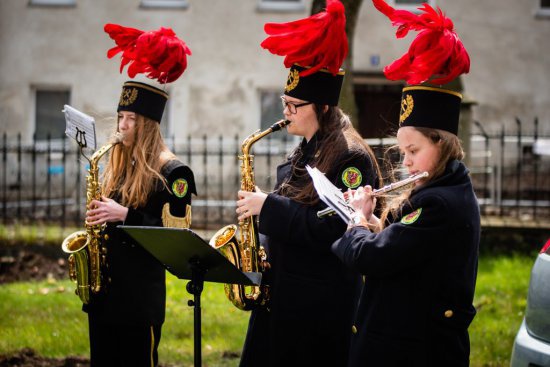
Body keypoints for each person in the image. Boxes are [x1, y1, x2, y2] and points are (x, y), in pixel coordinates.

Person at [331, 1, 479, 366]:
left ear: (441, 143)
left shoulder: (440, 204)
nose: (406, 161)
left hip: (416, 349)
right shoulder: (441, 191)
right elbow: (405, 252)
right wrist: (371, 221)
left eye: (413, 150)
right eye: (402, 151)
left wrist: (354, 222)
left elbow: (373, 257)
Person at [235, 1, 382, 366]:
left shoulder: (353, 159)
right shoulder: (302, 152)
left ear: (324, 107)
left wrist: (267, 207)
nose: (285, 114)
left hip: (319, 309)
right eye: (285, 104)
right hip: (283, 298)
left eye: (293, 105)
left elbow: (335, 228)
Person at [82, 25, 196, 367]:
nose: (122, 125)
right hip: (104, 296)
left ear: (147, 125)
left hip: (137, 303)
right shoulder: (118, 164)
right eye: (120, 117)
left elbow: (175, 244)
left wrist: (124, 215)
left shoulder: (175, 173)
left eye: (131, 118)